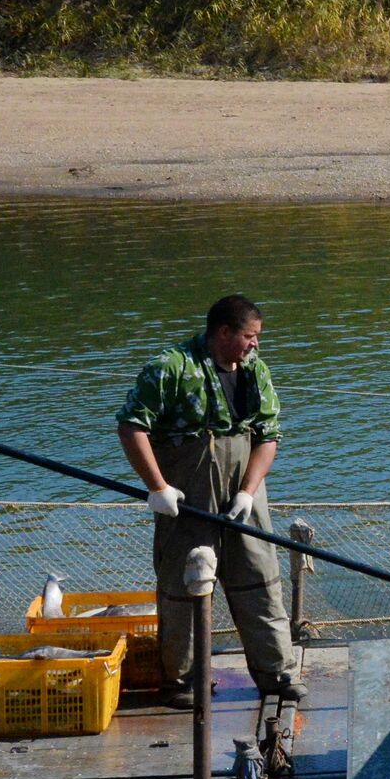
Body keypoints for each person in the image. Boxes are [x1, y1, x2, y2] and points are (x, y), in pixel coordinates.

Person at [116, 294, 305, 709]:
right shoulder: (170, 368)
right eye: (249, 337)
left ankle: (276, 674)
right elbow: (131, 427)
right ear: (223, 333)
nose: (255, 345)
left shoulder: (255, 370)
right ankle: (182, 682)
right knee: (184, 589)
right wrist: (157, 487)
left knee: (260, 580)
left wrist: (247, 491)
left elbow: (268, 437)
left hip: (244, 495)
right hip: (187, 496)